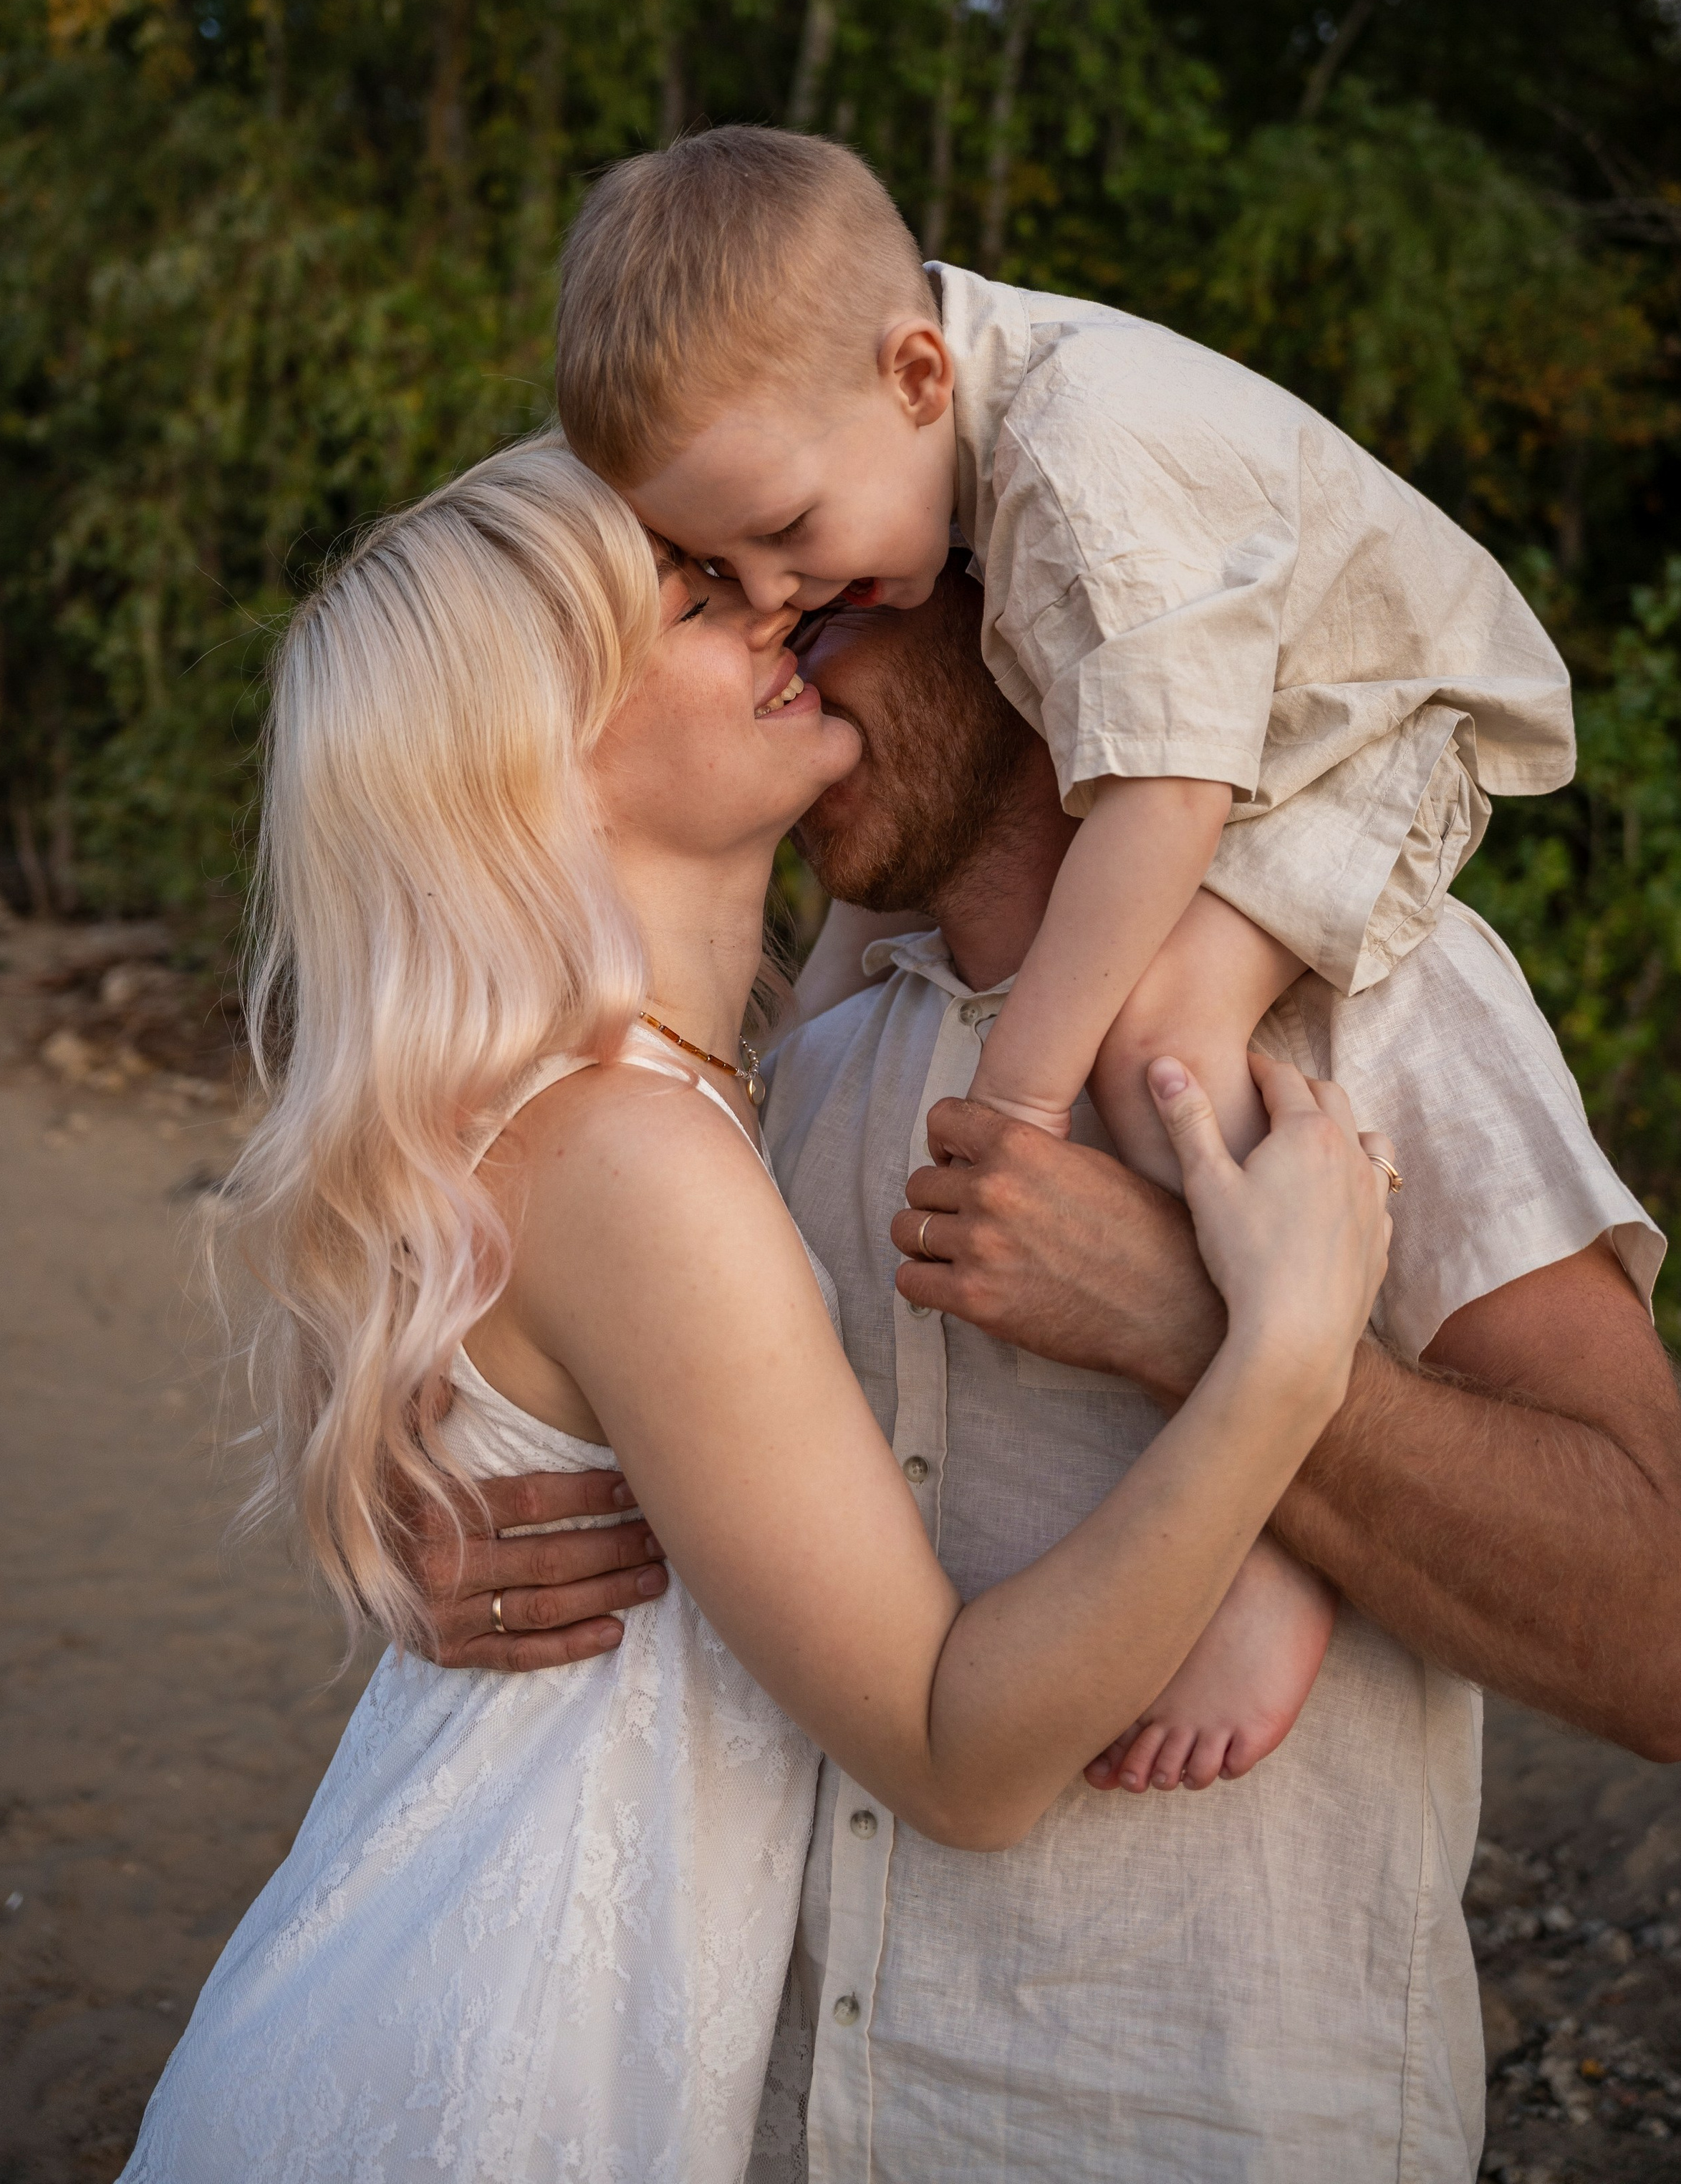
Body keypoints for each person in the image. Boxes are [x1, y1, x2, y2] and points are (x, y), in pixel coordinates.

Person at [118, 444, 1393, 2184]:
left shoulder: (708, 1083)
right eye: (699, 598)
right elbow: (957, 1755)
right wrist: (1283, 1367)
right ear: (531, 756)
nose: (785, 600)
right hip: (488, 2065)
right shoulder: (633, 1155)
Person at [428, 562, 1678, 2183]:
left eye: (827, 617)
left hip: (1196, 2129)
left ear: (1017, 609)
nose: (788, 672)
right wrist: (464, 1556)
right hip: (779, 2120)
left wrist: (1184, 1322)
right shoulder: (788, 1088)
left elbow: (1655, 1625)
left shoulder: (1376, 995)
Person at [550, 124, 1575, 1789]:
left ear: (914, 370)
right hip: (1240, 731)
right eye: (725, 585)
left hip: (1356, 722)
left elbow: (1166, 787)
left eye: (800, 563)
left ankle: (1273, 1526)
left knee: (1160, 1045)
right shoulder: (917, 449)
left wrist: (1015, 1102)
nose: (777, 606)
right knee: (1129, 1025)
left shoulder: (1083, 448)